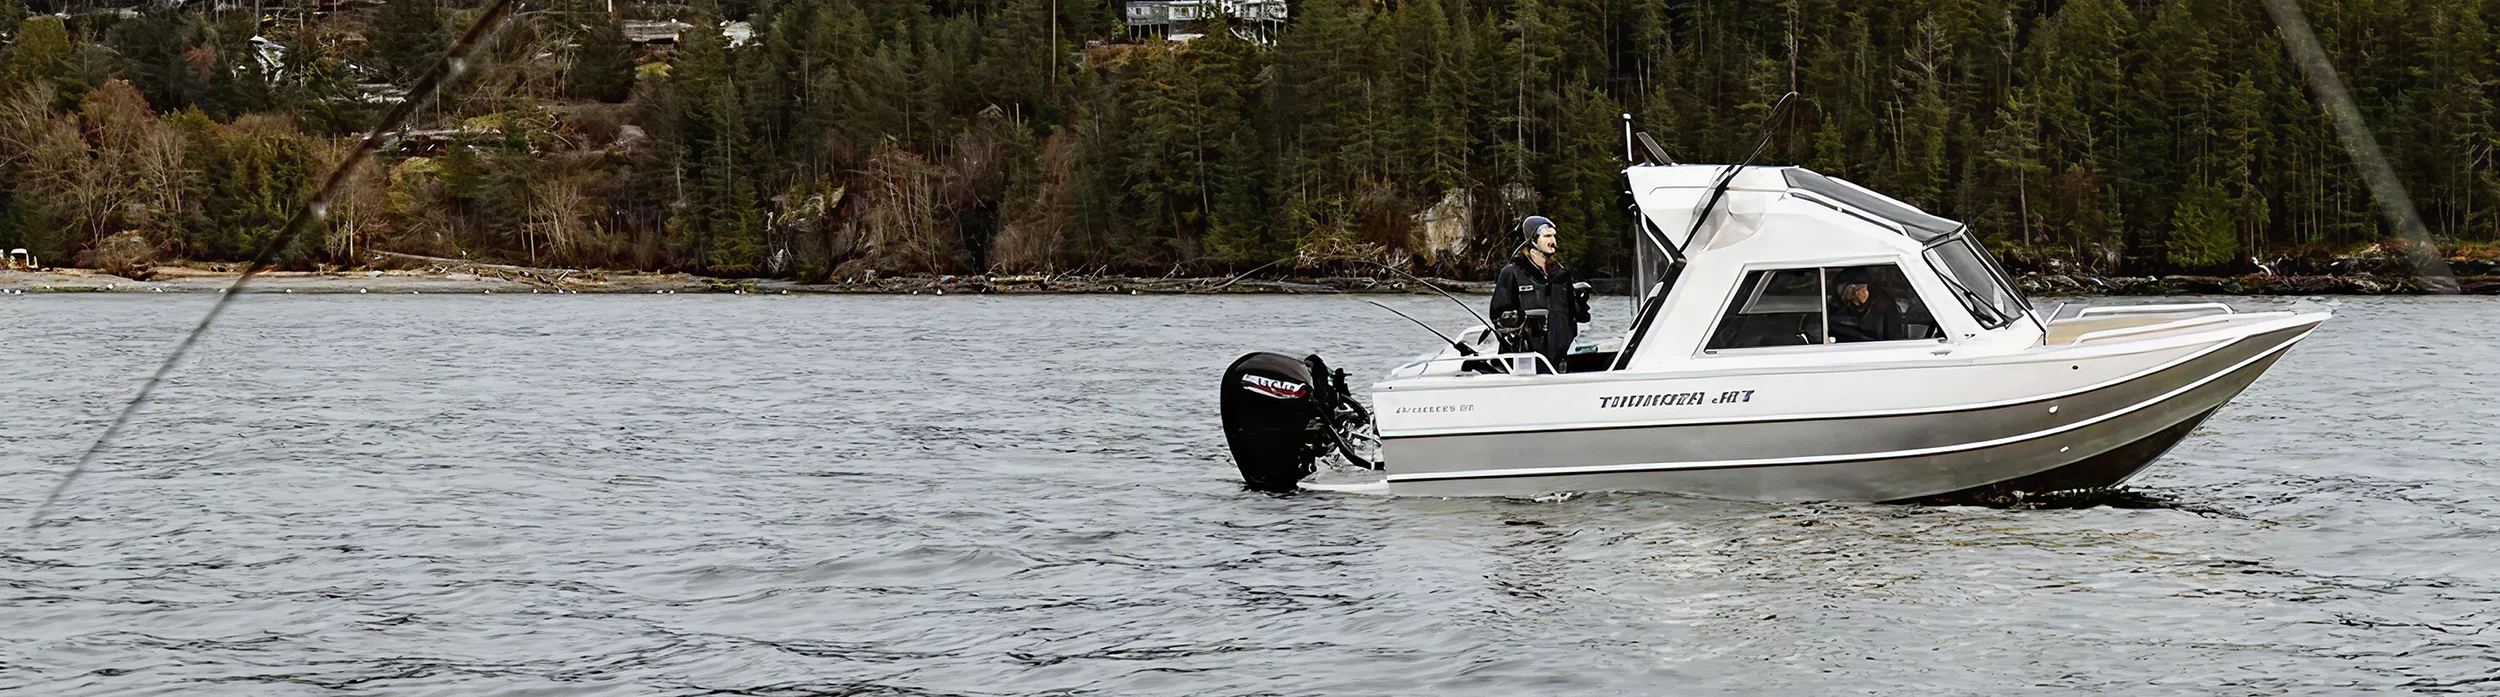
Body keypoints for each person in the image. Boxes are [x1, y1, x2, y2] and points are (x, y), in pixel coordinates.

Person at [1490, 216, 1591, 373]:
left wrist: (1581, 301)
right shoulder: (1512, 272)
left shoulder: (1561, 275)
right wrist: (1518, 318)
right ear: (1533, 240)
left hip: (1559, 360)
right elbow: (1497, 315)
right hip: (1524, 362)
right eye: (1547, 236)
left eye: (1554, 236)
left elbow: (1578, 316)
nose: (1553, 242)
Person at [1827, 268, 1907, 342]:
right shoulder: (1838, 312)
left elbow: (1893, 337)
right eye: (1853, 289)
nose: (1861, 291)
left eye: (1863, 287)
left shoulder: (1883, 304)